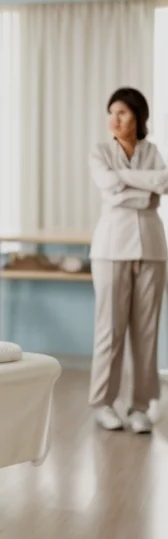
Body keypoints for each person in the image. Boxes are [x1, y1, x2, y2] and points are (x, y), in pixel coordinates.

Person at [89, 87, 167, 434]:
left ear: (138, 116)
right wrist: (143, 187)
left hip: (152, 247)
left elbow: (163, 184)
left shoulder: (152, 151)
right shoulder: (100, 151)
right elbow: (108, 185)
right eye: (111, 112)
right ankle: (103, 403)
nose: (114, 119)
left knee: (147, 331)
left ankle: (139, 406)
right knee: (110, 329)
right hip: (111, 248)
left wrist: (126, 182)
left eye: (121, 112)